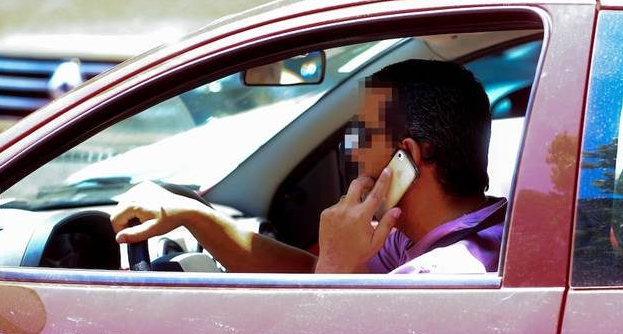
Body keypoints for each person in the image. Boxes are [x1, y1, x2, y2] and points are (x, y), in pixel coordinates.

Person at [110, 59, 506, 274]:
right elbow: (307, 269)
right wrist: (195, 216)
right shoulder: (437, 234)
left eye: (364, 137)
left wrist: (335, 263)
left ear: (409, 157)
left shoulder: (438, 276)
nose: (352, 153)